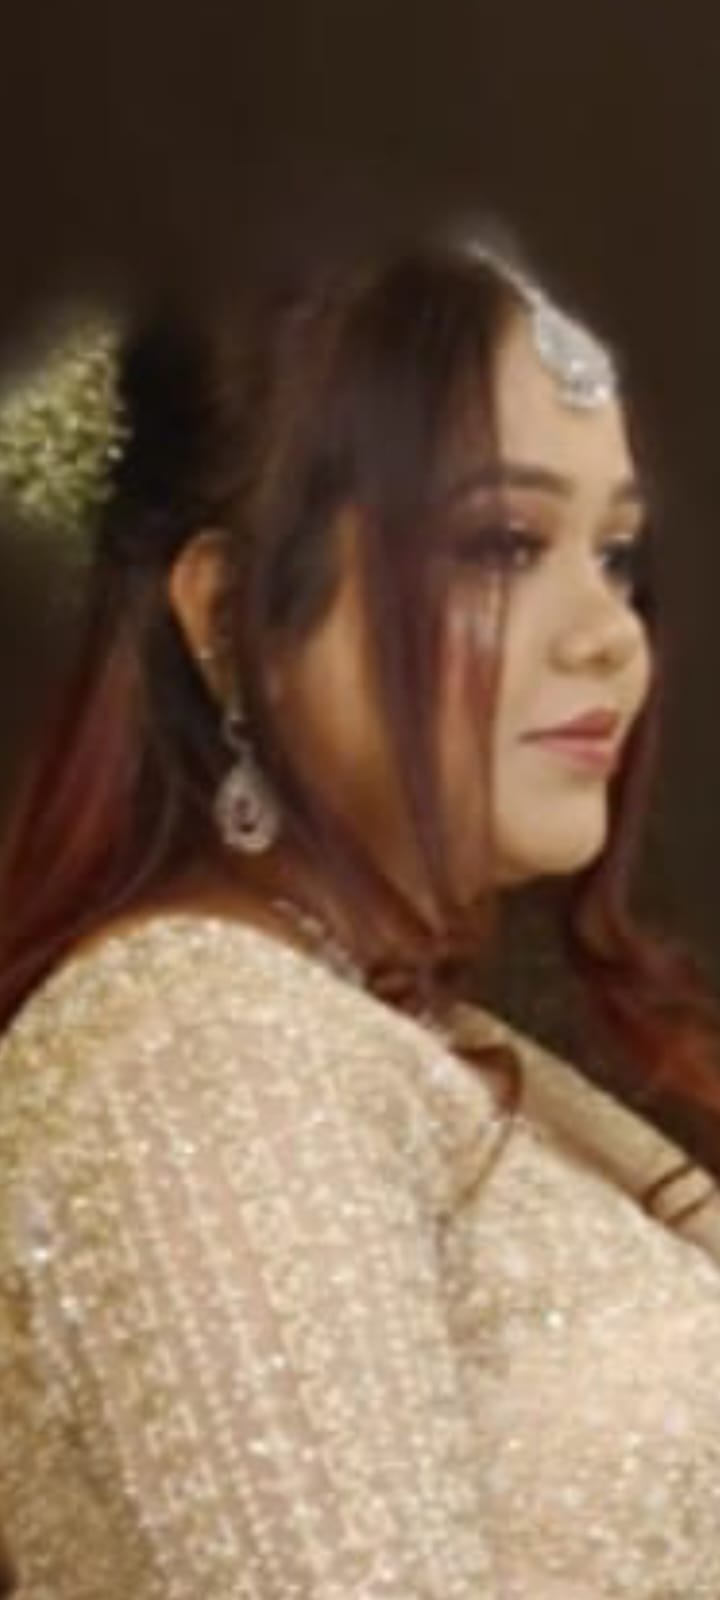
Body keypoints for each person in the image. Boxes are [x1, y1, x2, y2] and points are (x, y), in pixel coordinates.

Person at [0, 239, 719, 1600]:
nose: (610, 634)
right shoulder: (204, 1057)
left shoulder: (381, 1026)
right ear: (230, 617)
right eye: (505, 546)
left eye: (617, 555)